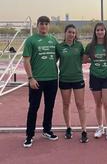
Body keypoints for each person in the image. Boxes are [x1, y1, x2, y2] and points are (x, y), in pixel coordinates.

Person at [23, 16, 58, 148]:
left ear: (49, 26)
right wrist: (30, 78)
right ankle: (29, 135)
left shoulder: (53, 40)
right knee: (33, 107)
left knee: (49, 106)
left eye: (46, 24)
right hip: (36, 81)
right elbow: (26, 61)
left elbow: (58, 56)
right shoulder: (31, 40)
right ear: (37, 25)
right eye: (41, 24)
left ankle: (47, 130)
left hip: (52, 79)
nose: (44, 26)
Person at [56, 24, 88, 143]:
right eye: (69, 32)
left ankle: (84, 130)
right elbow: (53, 61)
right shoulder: (59, 47)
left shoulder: (79, 46)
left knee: (80, 105)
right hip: (64, 79)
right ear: (65, 33)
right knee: (66, 104)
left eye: (73, 33)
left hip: (78, 79)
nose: (71, 34)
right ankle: (68, 128)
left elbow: (85, 59)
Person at [84, 22, 107, 140]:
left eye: (102, 30)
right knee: (98, 104)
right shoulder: (90, 46)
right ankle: (100, 127)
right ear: (95, 32)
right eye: (98, 30)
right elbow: (85, 59)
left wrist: (105, 64)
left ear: (105, 31)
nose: (100, 32)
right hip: (95, 76)